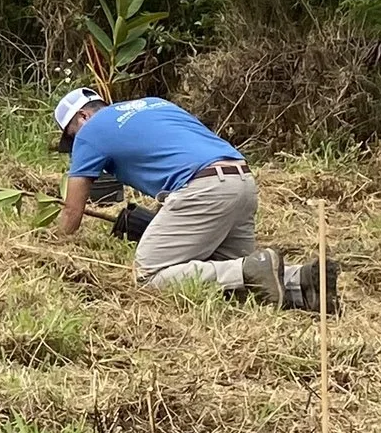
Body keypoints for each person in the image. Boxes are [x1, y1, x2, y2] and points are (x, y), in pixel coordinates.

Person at [50, 88, 337, 311]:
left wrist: (50, 242)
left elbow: (72, 214)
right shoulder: (154, 103)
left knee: (149, 275)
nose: (76, 144)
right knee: (236, 283)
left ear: (83, 117)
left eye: (71, 136)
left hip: (204, 189)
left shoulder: (90, 132)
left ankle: (249, 268)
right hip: (242, 181)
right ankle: (303, 281)